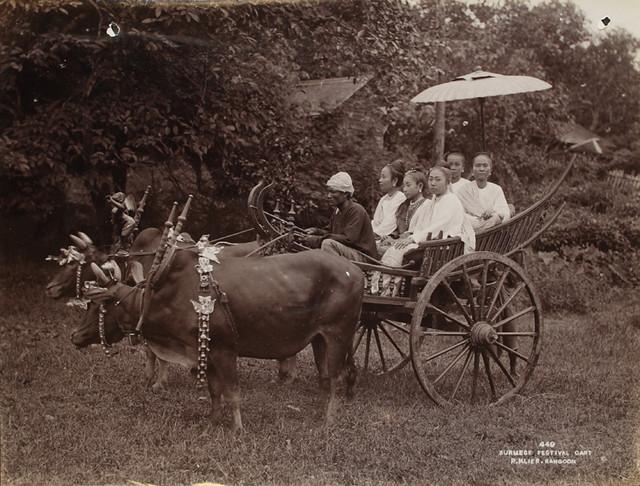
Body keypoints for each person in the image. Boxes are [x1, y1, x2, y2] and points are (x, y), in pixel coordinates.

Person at [372, 167, 475, 296]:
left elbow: (438, 226)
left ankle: (387, 291)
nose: (433, 183)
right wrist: (410, 235)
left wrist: (414, 238)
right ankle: (381, 289)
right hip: (430, 242)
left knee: (403, 251)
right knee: (396, 248)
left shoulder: (451, 201)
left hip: (442, 247)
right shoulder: (433, 201)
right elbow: (422, 225)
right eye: (431, 179)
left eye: (438, 180)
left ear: (448, 182)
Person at [303, 172, 378, 262]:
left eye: (333, 192)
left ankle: (333, 274)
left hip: (363, 256)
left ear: (346, 194)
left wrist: (318, 240)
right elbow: (330, 232)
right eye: (329, 191)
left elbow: (348, 239)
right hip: (349, 251)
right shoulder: (338, 211)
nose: (329, 196)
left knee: (327, 244)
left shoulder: (356, 210)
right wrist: (316, 231)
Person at [377, 169, 428, 254]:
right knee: (376, 246)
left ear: (420, 186)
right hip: (401, 241)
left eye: (408, 185)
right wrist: (390, 237)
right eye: (404, 186)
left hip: (415, 244)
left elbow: (420, 231)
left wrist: (398, 240)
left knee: (381, 250)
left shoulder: (426, 205)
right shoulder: (404, 205)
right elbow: (398, 229)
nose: (404, 189)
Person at [455, 153, 511, 231]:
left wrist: (491, 213)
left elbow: (504, 212)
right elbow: (459, 214)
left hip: (493, 231)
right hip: (472, 229)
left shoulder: (496, 189)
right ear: (472, 170)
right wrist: (478, 220)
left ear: (490, 170)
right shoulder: (463, 190)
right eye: (478, 165)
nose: (481, 169)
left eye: (485, 165)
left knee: (497, 218)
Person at [372, 160, 406, 241]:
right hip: (378, 236)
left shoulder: (400, 198)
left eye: (383, 177)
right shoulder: (383, 199)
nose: (380, 180)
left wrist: (373, 235)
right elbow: (376, 221)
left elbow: (390, 223)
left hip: (391, 239)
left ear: (394, 181)